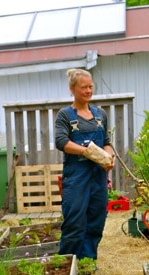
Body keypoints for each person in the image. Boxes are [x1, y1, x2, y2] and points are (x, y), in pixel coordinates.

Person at [55, 68, 115, 263]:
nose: (88, 91)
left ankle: (87, 265)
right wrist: (87, 151)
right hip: (76, 177)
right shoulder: (65, 115)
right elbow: (61, 142)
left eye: (90, 86)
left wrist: (109, 156)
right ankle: (68, 267)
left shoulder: (100, 115)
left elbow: (106, 141)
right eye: (84, 87)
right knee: (74, 221)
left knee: (96, 220)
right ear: (72, 88)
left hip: (98, 176)